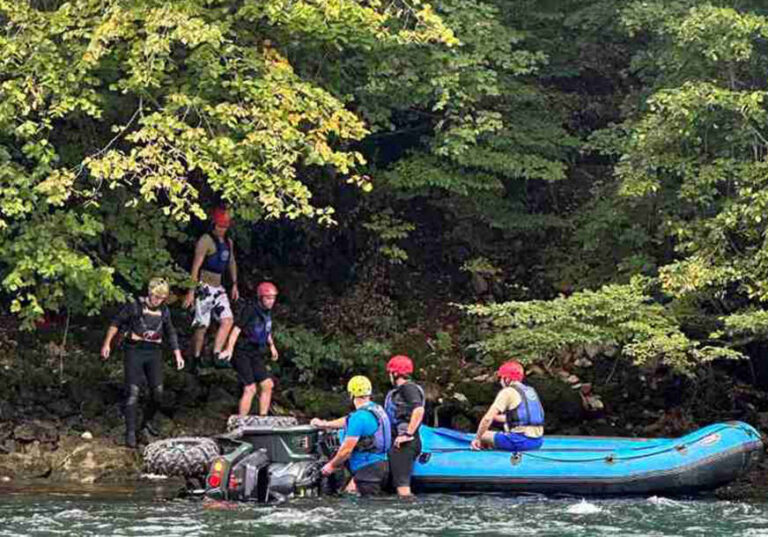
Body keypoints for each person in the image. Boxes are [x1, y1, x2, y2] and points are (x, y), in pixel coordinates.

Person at [100, 278, 184, 448]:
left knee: (158, 392)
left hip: (154, 352)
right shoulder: (135, 306)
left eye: (162, 298)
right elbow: (116, 323)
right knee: (133, 392)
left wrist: (177, 354)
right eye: (156, 297)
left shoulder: (164, 311)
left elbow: (170, 331)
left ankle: (145, 422)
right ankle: (130, 432)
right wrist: (107, 343)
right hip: (135, 350)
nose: (158, 301)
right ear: (150, 293)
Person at [311, 376, 392, 496]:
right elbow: (348, 420)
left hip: (366, 470)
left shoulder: (359, 418)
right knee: (348, 494)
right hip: (382, 466)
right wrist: (325, 424)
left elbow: (346, 451)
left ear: (351, 394)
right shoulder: (376, 409)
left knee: (363, 504)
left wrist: (331, 465)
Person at [183, 207, 239, 371]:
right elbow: (195, 267)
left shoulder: (228, 242)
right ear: (214, 224)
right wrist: (191, 291)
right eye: (220, 226)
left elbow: (231, 262)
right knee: (202, 324)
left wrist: (234, 284)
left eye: (225, 226)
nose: (222, 229)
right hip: (204, 286)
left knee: (228, 320)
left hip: (218, 286)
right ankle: (195, 358)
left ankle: (216, 354)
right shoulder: (206, 240)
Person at [219, 281, 279, 416]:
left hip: (256, 352)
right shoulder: (250, 310)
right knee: (250, 388)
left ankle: (263, 418)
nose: (271, 301)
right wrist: (229, 349)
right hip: (242, 351)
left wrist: (272, 346)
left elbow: (266, 329)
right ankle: (241, 420)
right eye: (268, 298)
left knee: (267, 385)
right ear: (261, 298)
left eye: (273, 298)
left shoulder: (267, 311)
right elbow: (236, 330)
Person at [470, 360, 544, 452]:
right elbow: (521, 418)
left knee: (484, 435)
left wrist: (477, 438)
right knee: (504, 430)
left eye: (501, 378)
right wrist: (496, 418)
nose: (500, 381)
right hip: (538, 442)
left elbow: (487, 419)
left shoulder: (507, 391)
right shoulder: (530, 391)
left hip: (520, 442)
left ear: (507, 379)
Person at [384, 355, 425, 497]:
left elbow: (419, 410)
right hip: (402, 442)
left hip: (405, 444)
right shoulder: (404, 389)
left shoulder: (407, 388)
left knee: (402, 488)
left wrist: (407, 434)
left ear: (395, 373)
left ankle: (409, 507)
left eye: (390, 372)